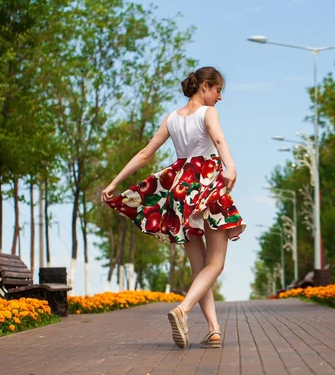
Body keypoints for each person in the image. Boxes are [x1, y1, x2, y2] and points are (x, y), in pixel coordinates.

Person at [101, 66, 246, 349]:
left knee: (199, 267)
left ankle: (214, 330)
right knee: (215, 264)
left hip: (180, 191)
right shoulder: (208, 113)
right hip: (207, 185)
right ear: (204, 86)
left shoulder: (172, 118)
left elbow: (145, 154)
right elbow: (218, 139)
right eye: (218, 91)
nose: (219, 97)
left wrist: (114, 183)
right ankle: (183, 310)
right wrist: (230, 166)